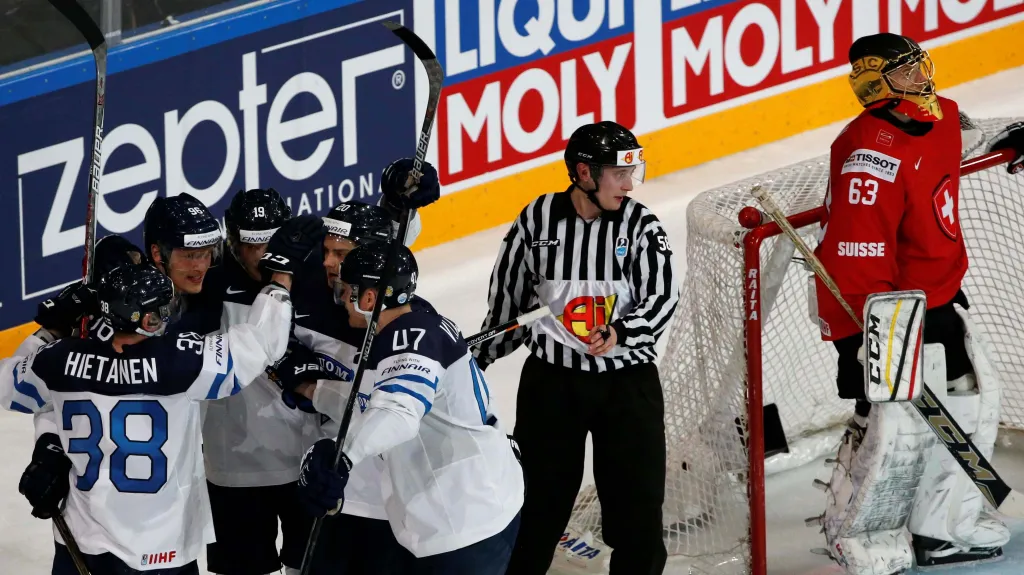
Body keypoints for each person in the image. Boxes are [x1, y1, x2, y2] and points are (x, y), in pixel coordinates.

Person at [0, 212, 316, 573]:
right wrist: (279, 281)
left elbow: (8, 384)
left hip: (81, 543)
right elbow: (262, 342)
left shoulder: (59, 360)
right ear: (144, 319)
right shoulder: (180, 362)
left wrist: (50, 330)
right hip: (161, 551)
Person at [811, 32, 1014, 573]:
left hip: (936, 296)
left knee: (964, 405)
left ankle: (935, 527)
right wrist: (866, 337)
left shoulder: (938, 114)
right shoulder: (869, 154)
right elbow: (855, 253)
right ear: (874, 84)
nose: (922, 80)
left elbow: (959, 140)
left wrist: (1008, 140)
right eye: (905, 75)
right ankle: (862, 535)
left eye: (921, 67)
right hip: (887, 309)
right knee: (892, 423)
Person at [472, 120, 678, 575]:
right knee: (535, 511)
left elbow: (663, 297)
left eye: (632, 172)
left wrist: (622, 332)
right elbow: (510, 307)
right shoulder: (536, 219)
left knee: (637, 518)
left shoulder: (642, 225)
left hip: (628, 388)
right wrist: (474, 360)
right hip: (553, 387)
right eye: (618, 173)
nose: (629, 184)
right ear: (584, 173)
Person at [288, 242, 524, 575]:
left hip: (463, 524)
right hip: (481, 497)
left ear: (369, 298)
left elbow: (398, 413)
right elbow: (374, 401)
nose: (341, 298)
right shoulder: (419, 322)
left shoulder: (409, 338)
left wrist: (343, 458)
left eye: (346, 290)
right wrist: (313, 390)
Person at [268, 158, 442, 574]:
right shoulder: (309, 287)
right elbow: (266, 343)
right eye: (327, 251)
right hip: (333, 483)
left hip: (392, 491)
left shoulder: (406, 322)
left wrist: (316, 388)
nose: (329, 262)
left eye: (340, 254)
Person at [201, 187, 323, 575]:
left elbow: (379, 259)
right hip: (234, 470)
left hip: (309, 460)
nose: (262, 254)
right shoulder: (207, 288)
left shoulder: (316, 277)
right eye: (251, 245)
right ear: (233, 243)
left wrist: (398, 205)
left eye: (271, 241)